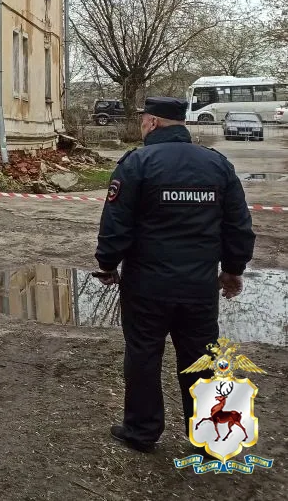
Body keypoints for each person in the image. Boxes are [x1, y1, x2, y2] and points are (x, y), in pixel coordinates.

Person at [95, 96, 256, 453]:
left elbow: (116, 224)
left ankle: (141, 431)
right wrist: (233, 270)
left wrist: (107, 264)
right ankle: (212, 437)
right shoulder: (217, 164)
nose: (141, 124)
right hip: (199, 286)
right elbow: (238, 226)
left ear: (152, 122)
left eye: (143, 119)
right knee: (202, 357)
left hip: (147, 285)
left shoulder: (137, 163)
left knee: (143, 354)